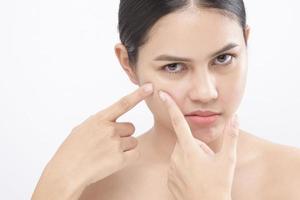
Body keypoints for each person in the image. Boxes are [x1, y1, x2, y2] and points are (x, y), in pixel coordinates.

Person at [32, 0, 300, 199]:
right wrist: (53, 185)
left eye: (223, 59)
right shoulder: (89, 185)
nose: (205, 92)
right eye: (173, 66)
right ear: (128, 64)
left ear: (245, 42)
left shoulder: (294, 174)